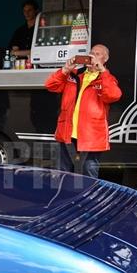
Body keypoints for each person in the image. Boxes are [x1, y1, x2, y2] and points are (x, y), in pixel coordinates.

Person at [44, 45, 121, 177]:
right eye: (91, 53)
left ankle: (89, 198)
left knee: (88, 175)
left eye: (97, 54)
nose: (92, 56)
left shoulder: (107, 79)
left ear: (105, 59)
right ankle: (63, 197)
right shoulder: (74, 75)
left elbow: (113, 95)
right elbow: (50, 85)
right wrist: (65, 70)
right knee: (62, 173)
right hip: (68, 133)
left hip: (91, 136)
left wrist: (103, 71)